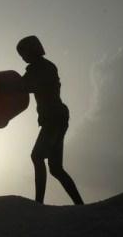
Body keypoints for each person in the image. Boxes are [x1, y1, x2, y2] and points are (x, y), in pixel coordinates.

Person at [14, 35, 84, 205]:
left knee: (37, 156)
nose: (23, 58)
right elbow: (24, 84)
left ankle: (38, 204)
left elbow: (25, 86)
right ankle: (80, 205)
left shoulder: (42, 68)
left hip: (54, 118)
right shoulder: (41, 67)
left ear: (32, 50)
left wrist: (2, 87)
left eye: (23, 54)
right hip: (57, 117)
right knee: (56, 169)